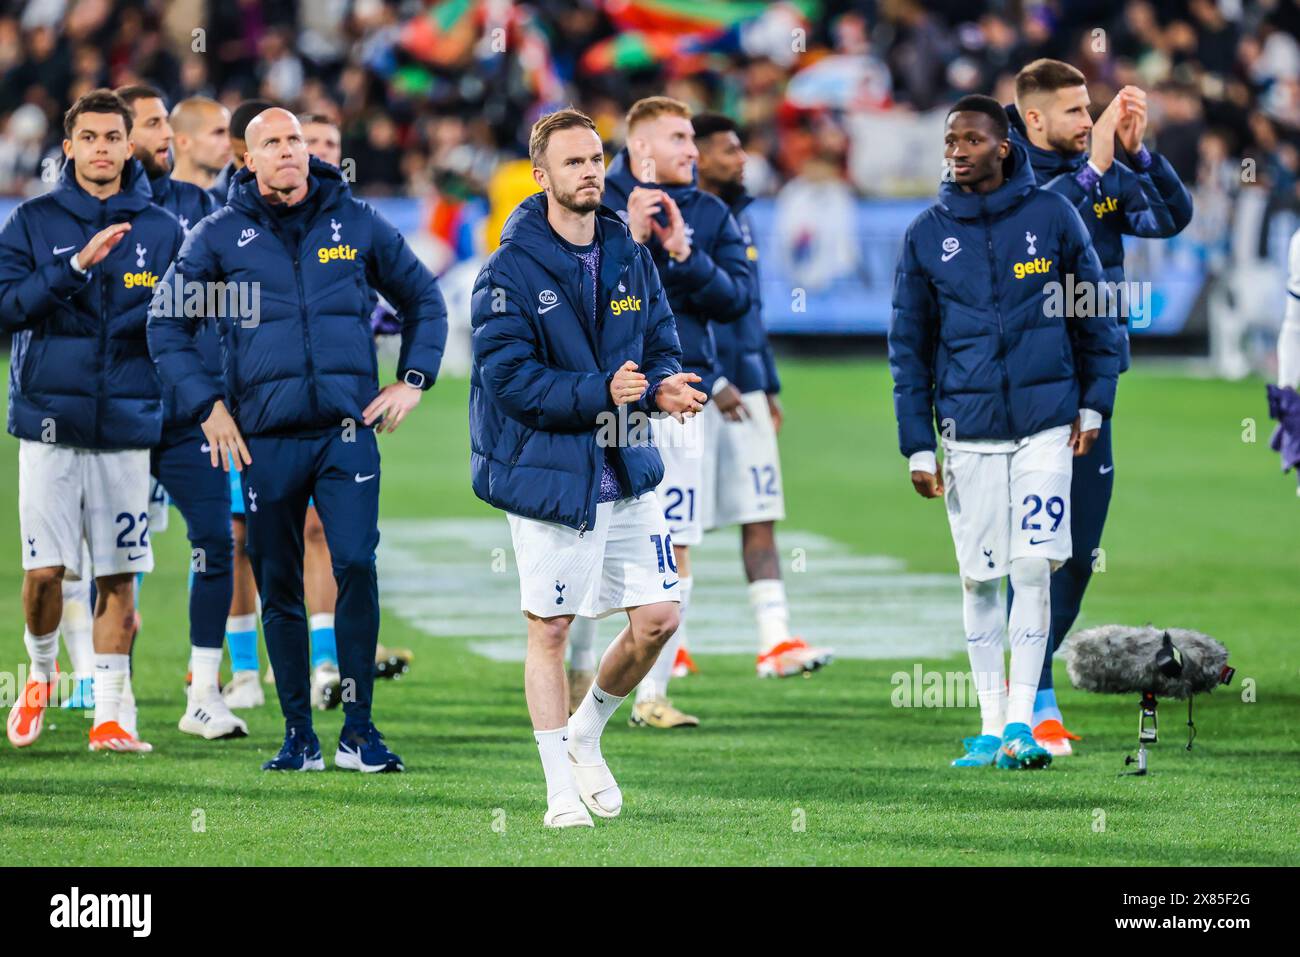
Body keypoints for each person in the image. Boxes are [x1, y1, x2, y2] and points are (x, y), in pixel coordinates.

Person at [149, 108, 448, 772]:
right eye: (273, 143)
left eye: (296, 140)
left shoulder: (356, 221)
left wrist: (414, 379)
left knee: (356, 564)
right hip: (262, 440)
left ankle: (359, 732)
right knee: (278, 578)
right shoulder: (219, 234)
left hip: (347, 433)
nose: (290, 151)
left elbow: (424, 297)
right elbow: (165, 323)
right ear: (246, 158)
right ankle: (298, 735)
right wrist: (208, 407)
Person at [469, 108, 706, 826]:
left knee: (661, 616)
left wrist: (662, 385)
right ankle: (554, 789)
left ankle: (586, 731)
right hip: (548, 471)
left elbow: (659, 336)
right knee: (551, 627)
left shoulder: (627, 251)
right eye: (573, 162)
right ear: (540, 176)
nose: (591, 171)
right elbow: (510, 380)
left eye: (596, 158)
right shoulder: (506, 270)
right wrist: (600, 390)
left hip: (624, 460)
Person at [888, 95, 1120, 770]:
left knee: (1030, 568)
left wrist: (1094, 404)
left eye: (970, 139)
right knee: (979, 580)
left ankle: (1023, 722)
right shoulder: (926, 234)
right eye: (949, 139)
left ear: (1004, 148)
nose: (956, 150)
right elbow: (909, 350)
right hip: (967, 436)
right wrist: (917, 443)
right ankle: (990, 726)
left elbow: (1096, 313)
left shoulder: (1054, 216)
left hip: (1047, 427)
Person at [1006, 59, 1193, 754]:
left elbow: (1170, 217)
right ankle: (1032, 697)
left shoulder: (1102, 170)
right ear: (1034, 120)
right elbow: (1035, 238)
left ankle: (1032, 674)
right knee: (1035, 549)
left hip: (1095, 383)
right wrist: (1099, 165)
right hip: (1029, 385)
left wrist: (1139, 154)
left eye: (1092, 109)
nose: (1089, 122)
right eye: (1076, 111)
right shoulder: (1006, 175)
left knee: (1079, 551)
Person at [2, 89, 185, 753]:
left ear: (128, 143)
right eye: (91, 138)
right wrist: (75, 267)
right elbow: (7, 309)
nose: (103, 149)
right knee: (47, 572)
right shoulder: (32, 222)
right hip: (48, 424)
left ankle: (110, 717)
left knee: (118, 574)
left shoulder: (162, 229)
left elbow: (183, 322)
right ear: (70, 145)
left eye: (114, 137)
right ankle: (42, 673)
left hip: (128, 429)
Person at [117, 84, 244, 739]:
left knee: (215, 541)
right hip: (122, 407)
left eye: (168, 122)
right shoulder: (105, 212)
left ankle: (203, 692)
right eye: (152, 124)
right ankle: (109, 693)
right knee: (116, 556)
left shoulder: (203, 207)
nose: (164, 134)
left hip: (190, 407)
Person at [692, 111, 831, 681]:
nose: (741, 159)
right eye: (728, 150)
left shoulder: (739, 217)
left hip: (745, 392)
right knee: (677, 527)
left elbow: (750, 312)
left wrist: (764, 382)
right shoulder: (675, 219)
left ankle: (774, 641)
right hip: (690, 394)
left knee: (761, 512)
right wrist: (715, 381)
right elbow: (670, 314)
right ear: (696, 155)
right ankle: (662, 643)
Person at [169, 97, 232, 193]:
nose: (230, 143)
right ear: (183, 142)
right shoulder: (156, 203)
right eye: (219, 132)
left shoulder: (239, 199)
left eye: (230, 133)